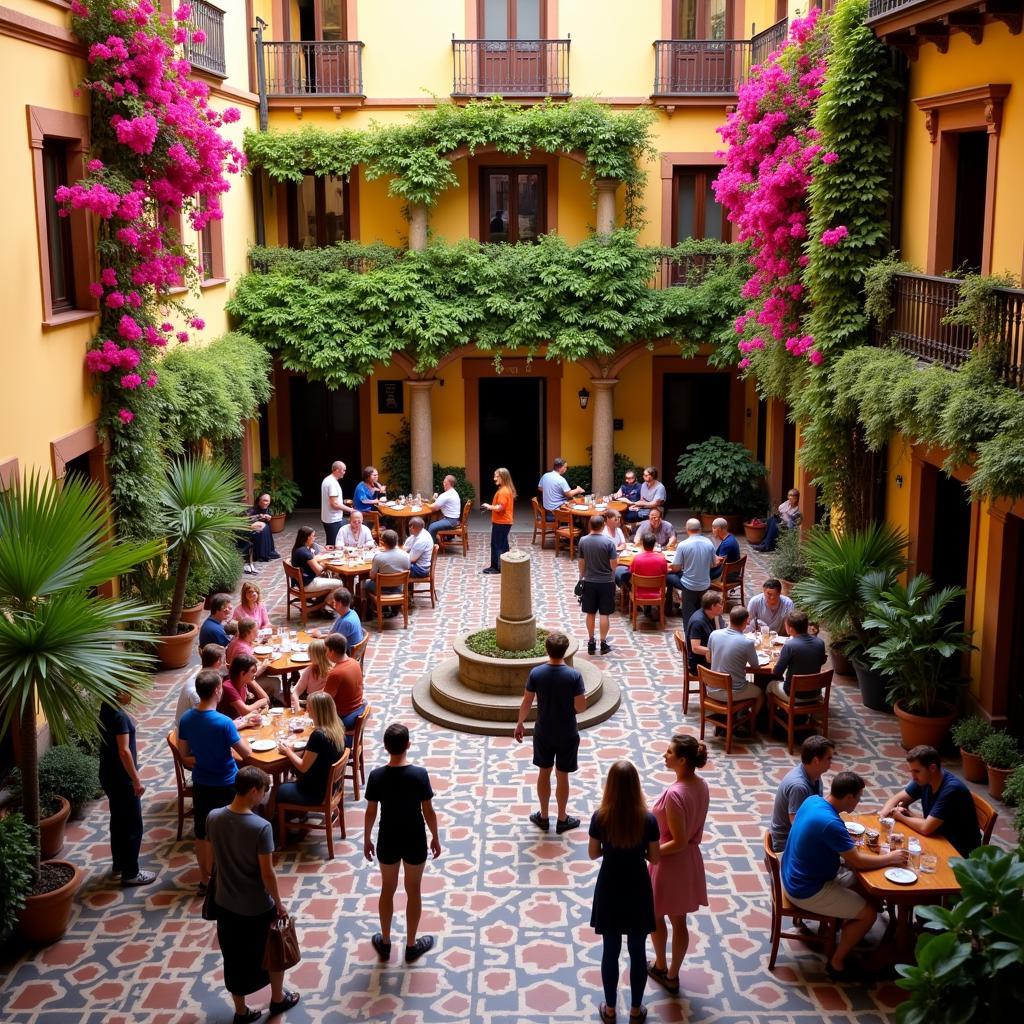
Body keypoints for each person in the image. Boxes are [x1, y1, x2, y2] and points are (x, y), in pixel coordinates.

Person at [782, 771, 909, 980]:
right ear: (848, 796)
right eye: (858, 798)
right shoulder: (831, 823)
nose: (858, 802)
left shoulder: (813, 801)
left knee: (862, 885)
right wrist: (892, 858)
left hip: (794, 873)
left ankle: (853, 927)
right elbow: (857, 861)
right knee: (869, 914)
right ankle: (837, 963)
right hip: (807, 889)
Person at [207, 766, 300, 1022]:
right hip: (256, 904)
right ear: (252, 791)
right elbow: (267, 873)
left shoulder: (213, 817)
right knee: (272, 950)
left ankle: (241, 1011)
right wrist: (279, 903)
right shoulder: (261, 827)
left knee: (233, 957)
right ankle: (278, 998)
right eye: (263, 791)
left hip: (224, 901)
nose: (264, 796)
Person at [588, 760, 661, 1024]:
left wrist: (612, 849)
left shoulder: (601, 817)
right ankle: (635, 1010)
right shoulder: (648, 820)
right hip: (638, 887)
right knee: (638, 950)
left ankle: (609, 1010)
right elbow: (655, 858)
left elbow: (593, 853)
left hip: (609, 886)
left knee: (610, 950)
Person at [364, 723, 442, 965]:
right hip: (414, 836)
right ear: (408, 745)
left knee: (387, 888)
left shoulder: (376, 776)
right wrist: (435, 836)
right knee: (413, 890)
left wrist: (366, 838)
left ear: (385, 747)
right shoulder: (419, 775)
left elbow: (370, 812)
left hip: (388, 836)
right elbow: (428, 811)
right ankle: (411, 945)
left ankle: (385, 942)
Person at [176, 671, 254, 890]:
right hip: (226, 782)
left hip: (201, 781)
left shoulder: (187, 719)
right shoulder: (223, 722)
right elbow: (246, 753)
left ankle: (205, 878)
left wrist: (202, 759)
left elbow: (183, 754)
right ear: (217, 690)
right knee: (231, 830)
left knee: (202, 832)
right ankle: (231, 875)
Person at [648, 735, 710, 995]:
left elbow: (678, 841)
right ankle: (672, 973)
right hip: (689, 863)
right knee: (680, 921)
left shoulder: (674, 795)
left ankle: (662, 966)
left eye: (670, 752)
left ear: (682, 760)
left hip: (669, 863)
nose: (665, 755)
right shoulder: (701, 784)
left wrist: (650, 853)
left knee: (656, 915)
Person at [514, 631, 587, 834]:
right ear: (565, 651)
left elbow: (527, 701)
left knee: (543, 772)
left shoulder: (537, 673)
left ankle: (544, 816)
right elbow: (581, 707)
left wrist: (520, 723)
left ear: (546, 649)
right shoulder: (574, 675)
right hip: (567, 731)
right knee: (562, 776)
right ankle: (562, 818)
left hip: (543, 730)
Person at [99, 690, 156, 886]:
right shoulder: (119, 717)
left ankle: (119, 865)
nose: (131, 691)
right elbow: (124, 751)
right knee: (132, 825)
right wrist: (136, 780)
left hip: (107, 774)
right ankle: (131, 872)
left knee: (118, 820)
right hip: (123, 779)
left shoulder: (106, 709)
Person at [881, 745, 981, 857]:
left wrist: (900, 816)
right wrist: (883, 815)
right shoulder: (925, 779)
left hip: (958, 851)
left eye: (917, 771)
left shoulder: (952, 790)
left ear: (932, 768)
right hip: (938, 834)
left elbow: (926, 828)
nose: (913, 776)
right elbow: (896, 799)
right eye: (911, 771)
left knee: (905, 856)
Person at [275, 692, 346, 808]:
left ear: (318, 711)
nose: (307, 710)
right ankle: (294, 814)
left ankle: (278, 822)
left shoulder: (318, 735)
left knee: (279, 789)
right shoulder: (337, 726)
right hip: (332, 786)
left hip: (315, 792)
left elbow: (303, 767)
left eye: (309, 707)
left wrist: (288, 751)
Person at [770, 735, 835, 852]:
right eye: (829, 758)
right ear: (816, 761)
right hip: (786, 844)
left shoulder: (814, 775)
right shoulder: (799, 787)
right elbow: (797, 825)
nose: (831, 762)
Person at [707, 605, 764, 717]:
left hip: (711, 688)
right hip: (733, 691)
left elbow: (709, 658)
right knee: (760, 693)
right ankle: (748, 720)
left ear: (730, 619)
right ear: (746, 622)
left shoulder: (714, 634)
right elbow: (755, 666)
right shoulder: (746, 642)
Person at [578, 515, 619, 656]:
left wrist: (581, 576)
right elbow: (614, 565)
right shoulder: (609, 542)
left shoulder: (583, 541)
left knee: (590, 613)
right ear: (603, 526)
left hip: (589, 581)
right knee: (604, 614)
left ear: (590, 525)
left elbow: (581, 562)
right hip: (606, 582)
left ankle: (590, 641)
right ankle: (602, 642)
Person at [768, 610, 827, 703]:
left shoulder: (789, 645)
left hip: (794, 694)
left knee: (770, 685)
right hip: (815, 692)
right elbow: (821, 661)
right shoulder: (820, 642)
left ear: (790, 629)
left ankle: (774, 713)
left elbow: (777, 672)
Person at [666, 519, 717, 622]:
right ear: (700, 529)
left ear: (687, 529)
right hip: (704, 584)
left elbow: (677, 568)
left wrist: (670, 566)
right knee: (703, 613)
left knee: (688, 616)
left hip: (689, 585)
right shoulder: (709, 543)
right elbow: (713, 564)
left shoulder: (683, 545)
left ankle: (668, 606)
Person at [323, 633, 366, 733]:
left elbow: (325, 700)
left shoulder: (336, 673)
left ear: (331, 651)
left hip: (344, 716)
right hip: (358, 709)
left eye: (326, 650)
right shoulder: (354, 662)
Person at [175, 643, 225, 726]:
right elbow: (204, 720)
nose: (224, 663)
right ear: (218, 661)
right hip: (189, 729)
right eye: (223, 660)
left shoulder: (201, 673)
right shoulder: (197, 691)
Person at [617, 531, 667, 615]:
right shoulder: (662, 559)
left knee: (624, 575)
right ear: (654, 544)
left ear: (642, 544)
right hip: (657, 591)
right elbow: (665, 573)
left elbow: (631, 572)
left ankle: (635, 606)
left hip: (639, 591)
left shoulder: (636, 559)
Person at [364, 529, 410, 612]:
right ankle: (393, 607)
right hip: (399, 587)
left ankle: (370, 611)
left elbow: (372, 576)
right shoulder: (406, 555)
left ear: (382, 543)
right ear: (396, 541)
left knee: (364, 584)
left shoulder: (379, 557)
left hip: (381, 589)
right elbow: (407, 568)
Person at [481, 467, 515, 575]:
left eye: (497, 476)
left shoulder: (503, 491)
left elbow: (500, 508)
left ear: (503, 477)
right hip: (504, 522)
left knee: (496, 545)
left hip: (501, 522)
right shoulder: (505, 489)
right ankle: (506, 565)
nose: (494, 478)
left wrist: (488, 506)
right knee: (503, 545)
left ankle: (496, 567)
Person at [217, 654, 271, 720]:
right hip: (230, 725)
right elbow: (245, 711)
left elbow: (267, 699)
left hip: (241, 720)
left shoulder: (245, 681)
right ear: (242, 673)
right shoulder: (228, 686)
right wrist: (262, 701)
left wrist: (251, 681)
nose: (255, 673)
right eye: (253, 671)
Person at [685, 591, 724, 675]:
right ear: (713, 606)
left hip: (710, 658)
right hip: (700, 665)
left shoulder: (714, 616)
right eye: (720, 604)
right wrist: (717, 651)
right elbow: (695, 648)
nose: (722, 606)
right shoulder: (697, 622)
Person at [291, 526, 337, 594]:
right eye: (313, 536)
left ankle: (321, 599)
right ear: (308, 537)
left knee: (328, 576)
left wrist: (320, 558)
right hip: (308, 584)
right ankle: (325, 602)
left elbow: (310, 560)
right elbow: (318, 571)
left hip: (299, 582)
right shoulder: (305, 552)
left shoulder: (297, 549)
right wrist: (325, 564)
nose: (314, 538)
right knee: (340, 583)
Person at [755, 488, 801, 552]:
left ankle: (766, 546)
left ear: (796, 498)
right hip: (780, 520)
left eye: (792, 495)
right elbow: (780, 509)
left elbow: (791, 521)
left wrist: (786, 515)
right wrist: (785, 512)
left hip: (786, 525)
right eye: (789, 495)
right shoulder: (787, 503)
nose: (790, 497)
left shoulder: (796, 508)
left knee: (773, 522)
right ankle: (764, 544)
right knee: (770, 520)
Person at [290, 638, 332, 710]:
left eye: (310, 654)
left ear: (319, 656)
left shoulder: (333, 672)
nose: (309, 656)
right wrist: (298, 708)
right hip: (312, 704)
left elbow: (326, 695)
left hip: (325, 707)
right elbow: (295, 692)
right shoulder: (310, 670)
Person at [538, 457, 583, 521]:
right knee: (577, 506)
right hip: (556, 512)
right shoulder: (561, 479)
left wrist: (551, 492)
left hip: (547, 510)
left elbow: (540, 488)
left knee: (572, 502)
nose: (566, 469)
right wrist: (578, 490)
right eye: (565, 467)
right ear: (561, 468)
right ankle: (573, 526)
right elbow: (569, 494)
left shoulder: (545, 475)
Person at [320, 460, 352, 548]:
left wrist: (344, 502)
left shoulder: (328, 480)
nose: (345, 472)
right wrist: (350, 510)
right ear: (337, 470)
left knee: (331, 544)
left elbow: (333, 500)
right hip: (333, 519)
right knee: (333, 545)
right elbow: (334, 504)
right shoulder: (332, 483)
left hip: (330, 518)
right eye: (344, 470)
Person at [245, 492, 279, 563]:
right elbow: (247, 520)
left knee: (266, 527)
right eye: (264, 500)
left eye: (268, 501)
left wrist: (268, 518)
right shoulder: (252, 510)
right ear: (259, 500)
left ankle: (266, 551)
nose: (266, 503)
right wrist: (259, 517)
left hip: (265, 532)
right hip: (254, 532)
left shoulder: (267, 510)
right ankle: (260, 554)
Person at [427, 474, 462, 542]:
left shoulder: (446, 495)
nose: (443, 484)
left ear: (447, 484)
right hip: (455, 519)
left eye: (444, 482)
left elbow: (434, 508)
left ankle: (432, 547)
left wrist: (424, 504)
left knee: (431, 527)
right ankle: (448, 538)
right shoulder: (454, 492)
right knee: (435, 521)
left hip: (450, 521)